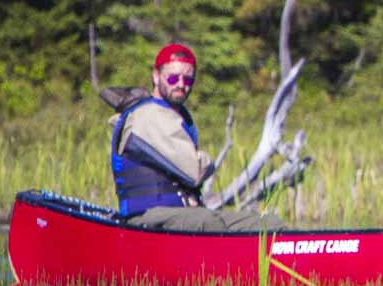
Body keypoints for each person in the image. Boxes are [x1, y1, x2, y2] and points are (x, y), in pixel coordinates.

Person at [109, 42, 287, 232]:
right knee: (207, 222)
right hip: (148, 217)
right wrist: (207, 161)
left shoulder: (173, 116)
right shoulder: (146, 116)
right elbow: (194, 171)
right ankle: (222, 260)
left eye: (188, 80)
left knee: (267, 224)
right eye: (173, 78)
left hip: (180, 215)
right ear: (156, 76)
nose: (180, 85)